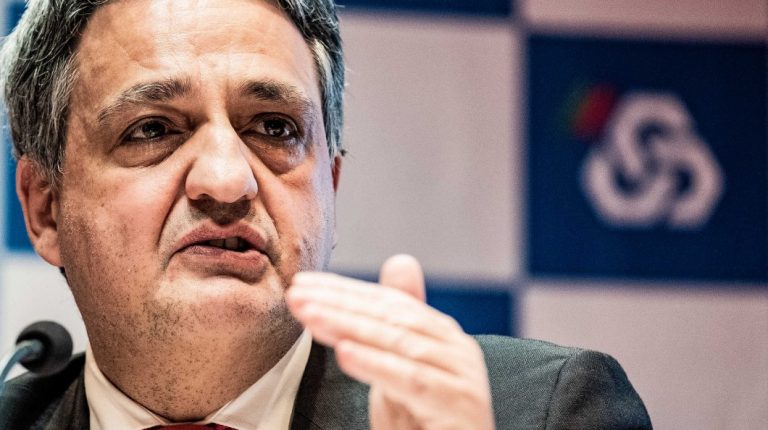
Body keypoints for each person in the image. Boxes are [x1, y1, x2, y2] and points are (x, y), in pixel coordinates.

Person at [0, 0, 652, 429]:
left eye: (274, 127)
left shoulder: (542, 413)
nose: (227, 181)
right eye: (152, 129)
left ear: (329, 190)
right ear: (45, 210)